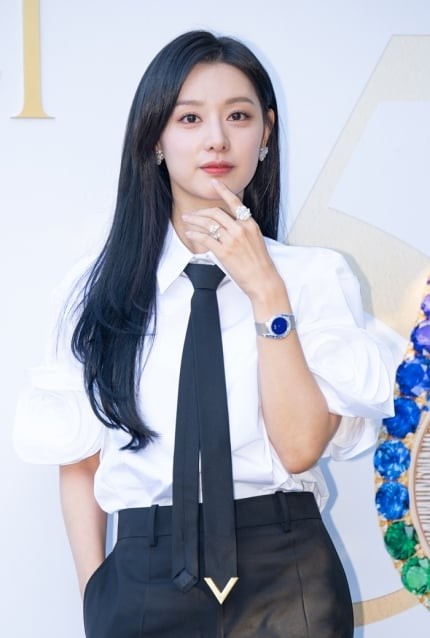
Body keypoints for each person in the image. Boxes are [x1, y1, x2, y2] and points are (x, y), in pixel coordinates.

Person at [14, 30, 394, 638]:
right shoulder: (97, 287)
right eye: (189, 118)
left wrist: (266, 288)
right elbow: (79, 460)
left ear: (266, 133)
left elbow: (299, 448)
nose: (216, 138)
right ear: (155, 137)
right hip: (141, 576)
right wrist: (95, 593)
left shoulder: (314, 277)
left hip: (287, 573)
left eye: (238, 116)